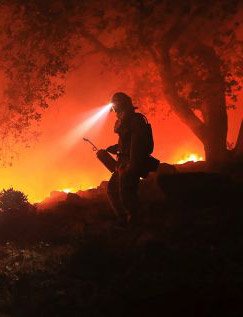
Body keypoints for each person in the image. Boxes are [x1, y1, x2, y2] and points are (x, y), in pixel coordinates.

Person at [106, 92, 159, 227]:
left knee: (127, 192)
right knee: (113, 189)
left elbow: (138, 144)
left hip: (131, 162)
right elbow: (127, 142)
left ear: (122, 105)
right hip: (124, 162)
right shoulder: (127, 122)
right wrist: (116, 148)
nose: (114, 110)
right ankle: (124, 219)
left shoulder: (136, 121)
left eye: (115, 106)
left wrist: (132, 165)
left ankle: (136, 221)